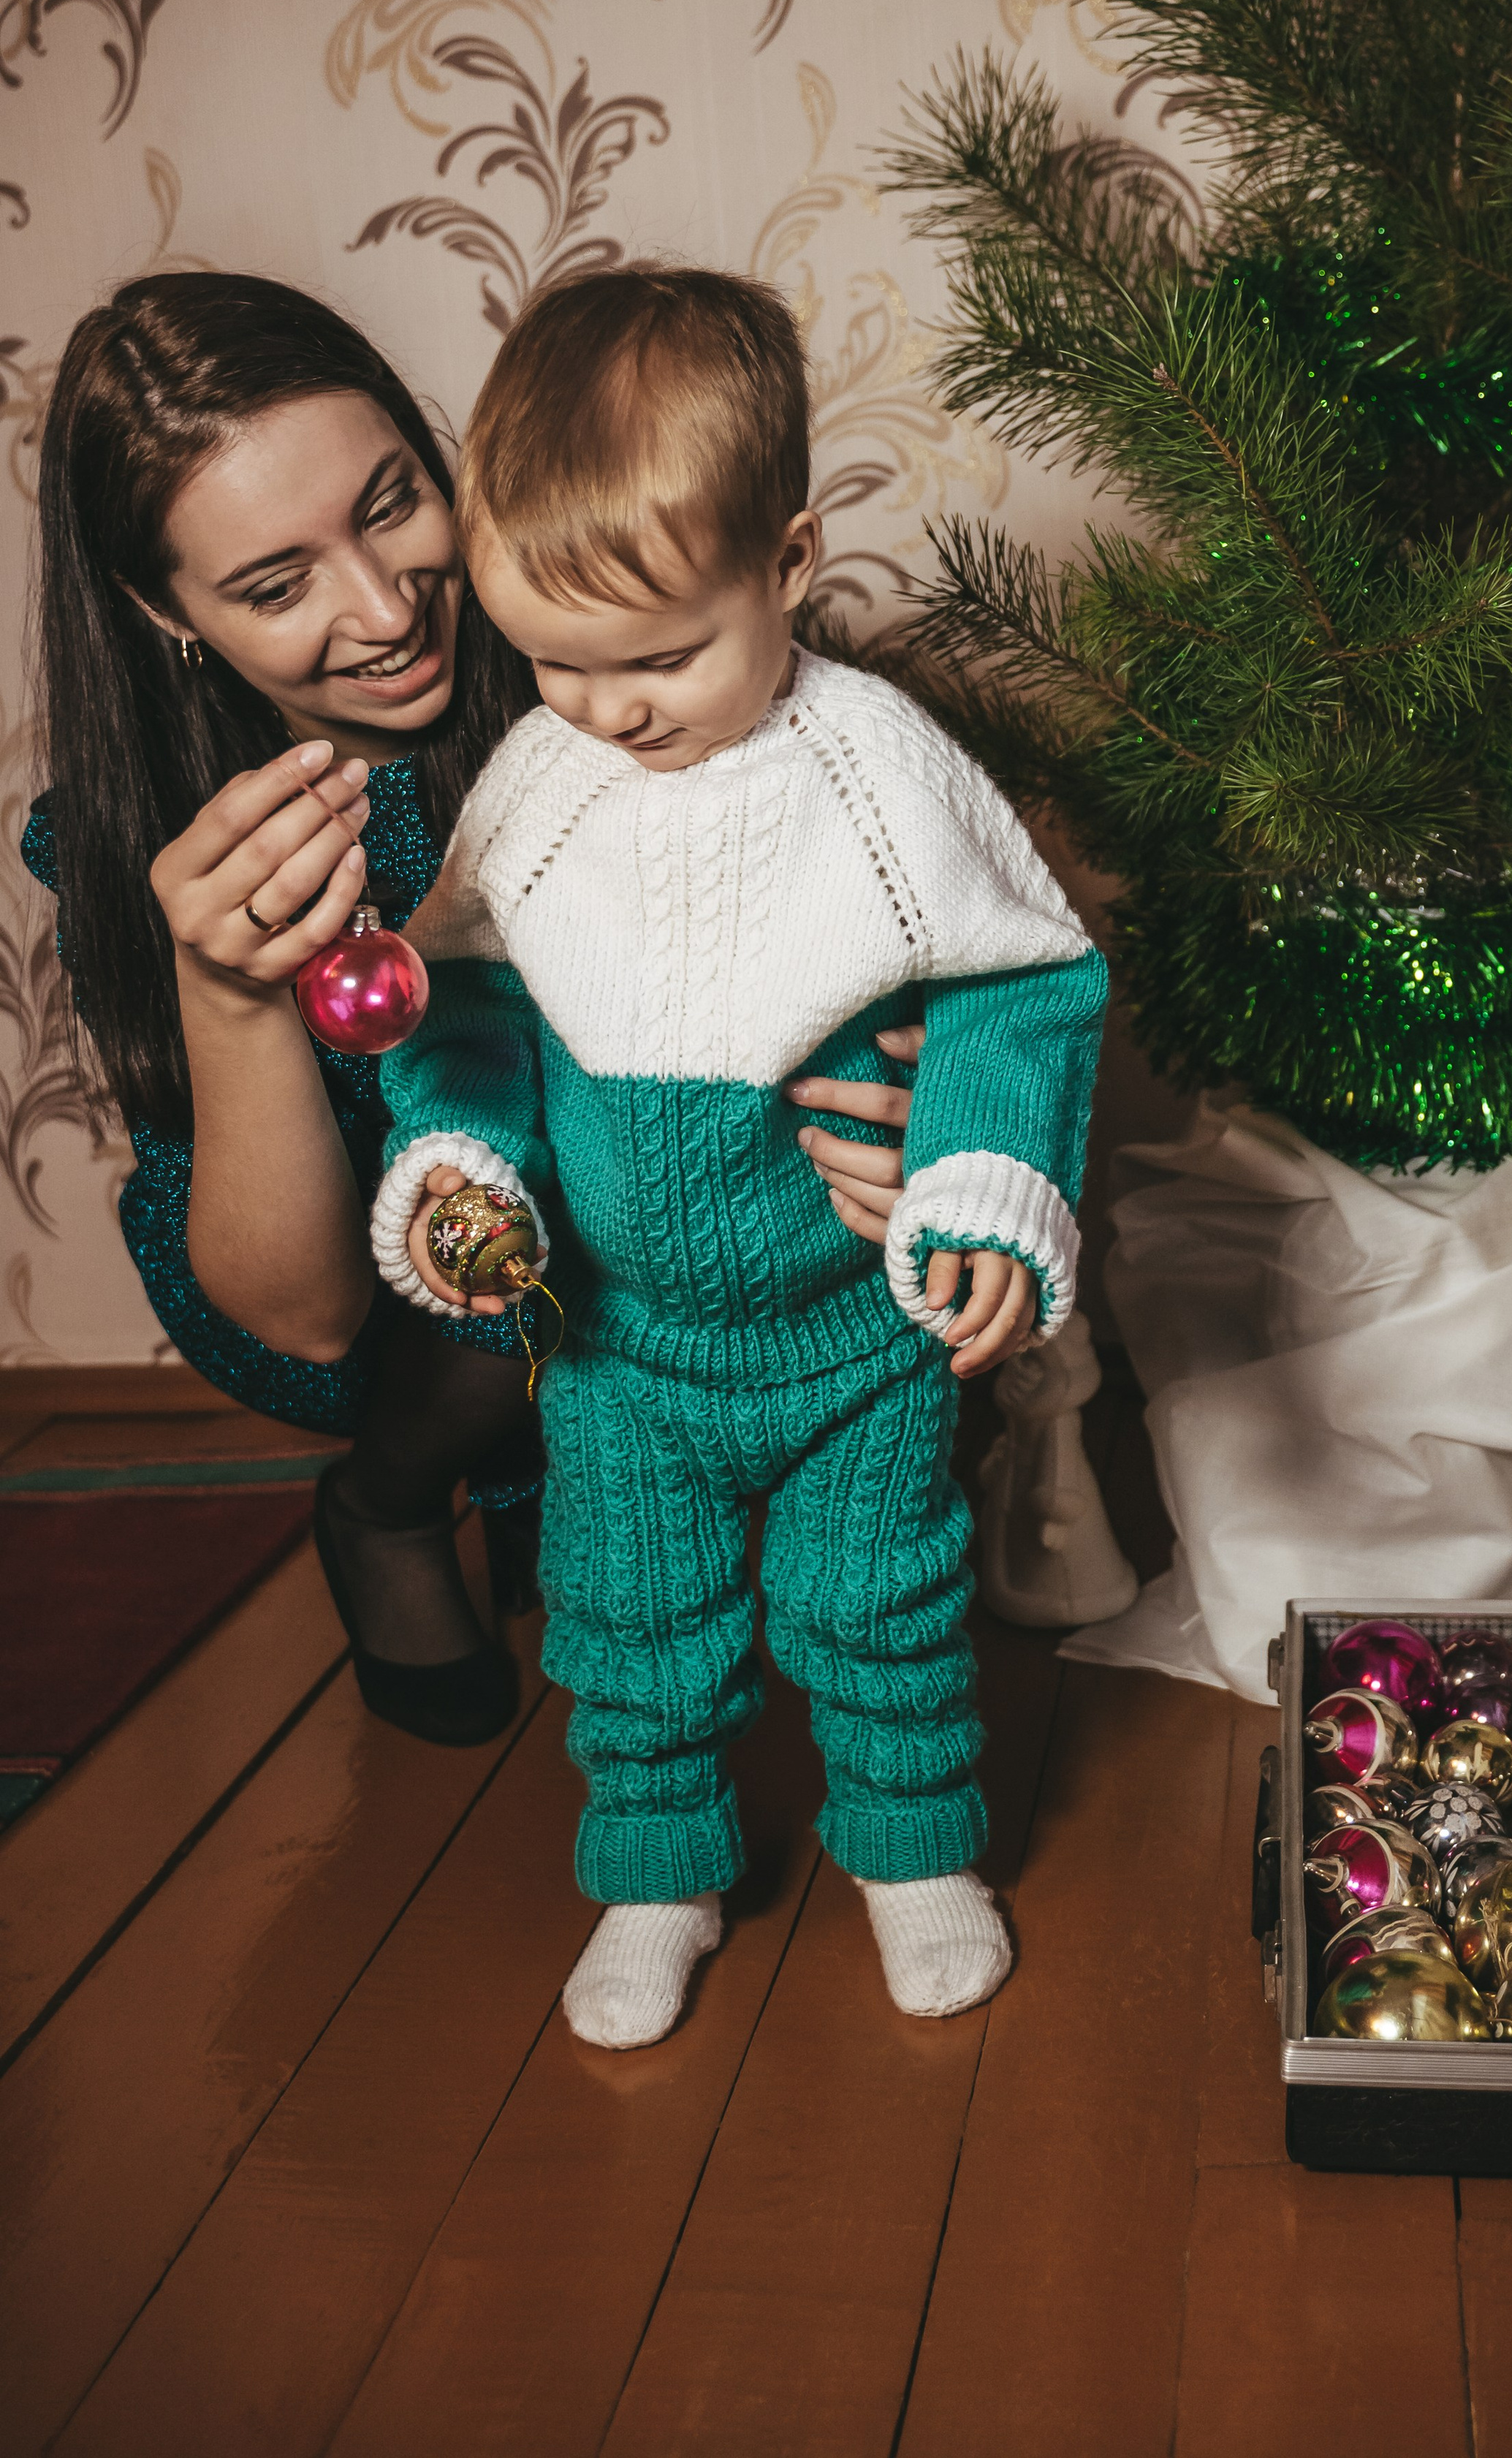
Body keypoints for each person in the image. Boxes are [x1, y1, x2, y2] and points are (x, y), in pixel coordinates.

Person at [370, 265, 1107, 2045]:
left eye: (660, 655)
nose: (604, 707)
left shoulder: (875, 770)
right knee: (627, 1622)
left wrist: (983, 1176)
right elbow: (462, 1012)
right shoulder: (536, 790)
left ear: (783, 564)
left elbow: (1028, 984)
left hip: (846, 1334)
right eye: (551, 657)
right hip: (617, 1348)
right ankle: (655, 1871)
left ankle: (916, 1851)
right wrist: (455, 1159)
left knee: (876, 1603)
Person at [24, 272, 916, 1745]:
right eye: (272, 584)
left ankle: (555, 1484)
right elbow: (305, 1317)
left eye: (390, 505)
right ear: (158, 609)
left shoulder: (603, 656)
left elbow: (874, 921)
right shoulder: (152, 839)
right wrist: (229, 997)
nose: (382, 610)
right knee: (503, 1210)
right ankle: (387, 1499)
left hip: (678, 1232)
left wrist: (909, 1094)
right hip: (387, 1304)